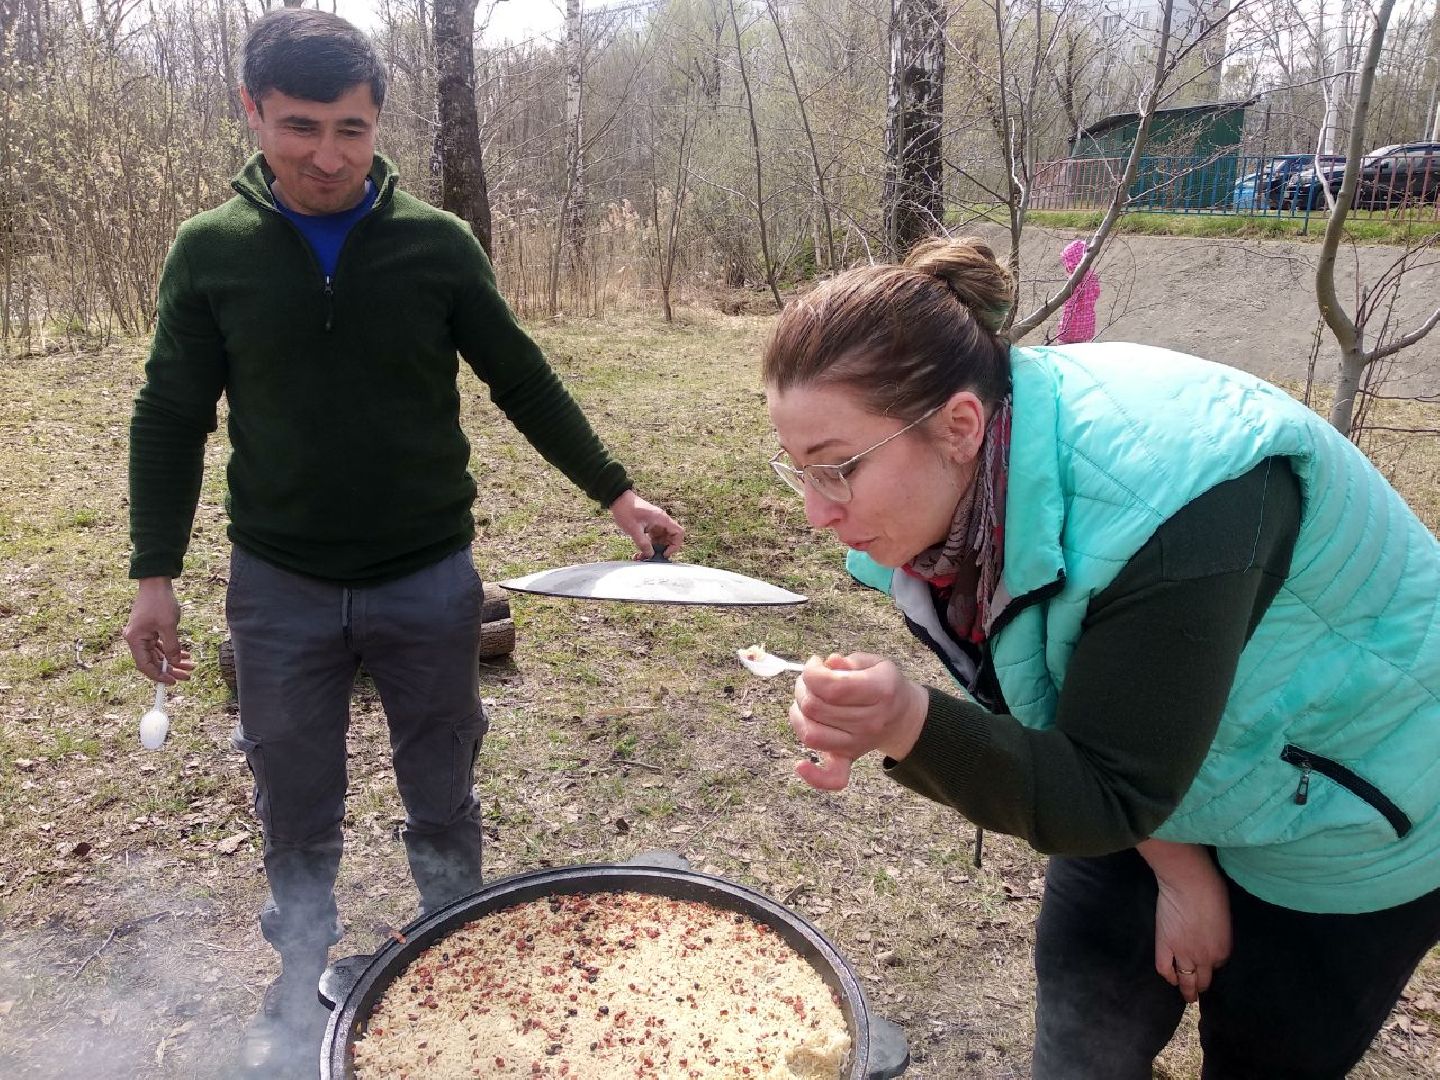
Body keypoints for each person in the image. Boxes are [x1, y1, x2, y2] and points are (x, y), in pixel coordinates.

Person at [120, 10, 683, 1077]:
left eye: (351, 127)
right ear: (252, 111)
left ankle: (457, 945)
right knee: (291, 793)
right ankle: (295, 984)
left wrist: (618, 495)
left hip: (428, 577)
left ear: (378, 120)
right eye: (300, 127)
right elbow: (167, 417)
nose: (328, 155)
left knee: (443, 781)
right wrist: (155, 576)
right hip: (278, 584)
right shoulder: (211, 252)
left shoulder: (435, 243)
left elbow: (520, 377)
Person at [763, 236, 1440, 1078]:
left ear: (960, 426)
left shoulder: (1176, 499)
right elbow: (1046, 712)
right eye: (798, 471)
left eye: (836, 470)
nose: (814, 514)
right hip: (1145, 769)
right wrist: (1180, 872)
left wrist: (910, 725)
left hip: (1355, 792)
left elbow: (1110, 787)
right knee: (1084, 1036)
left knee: (1269, 1050)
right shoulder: (933, 518)